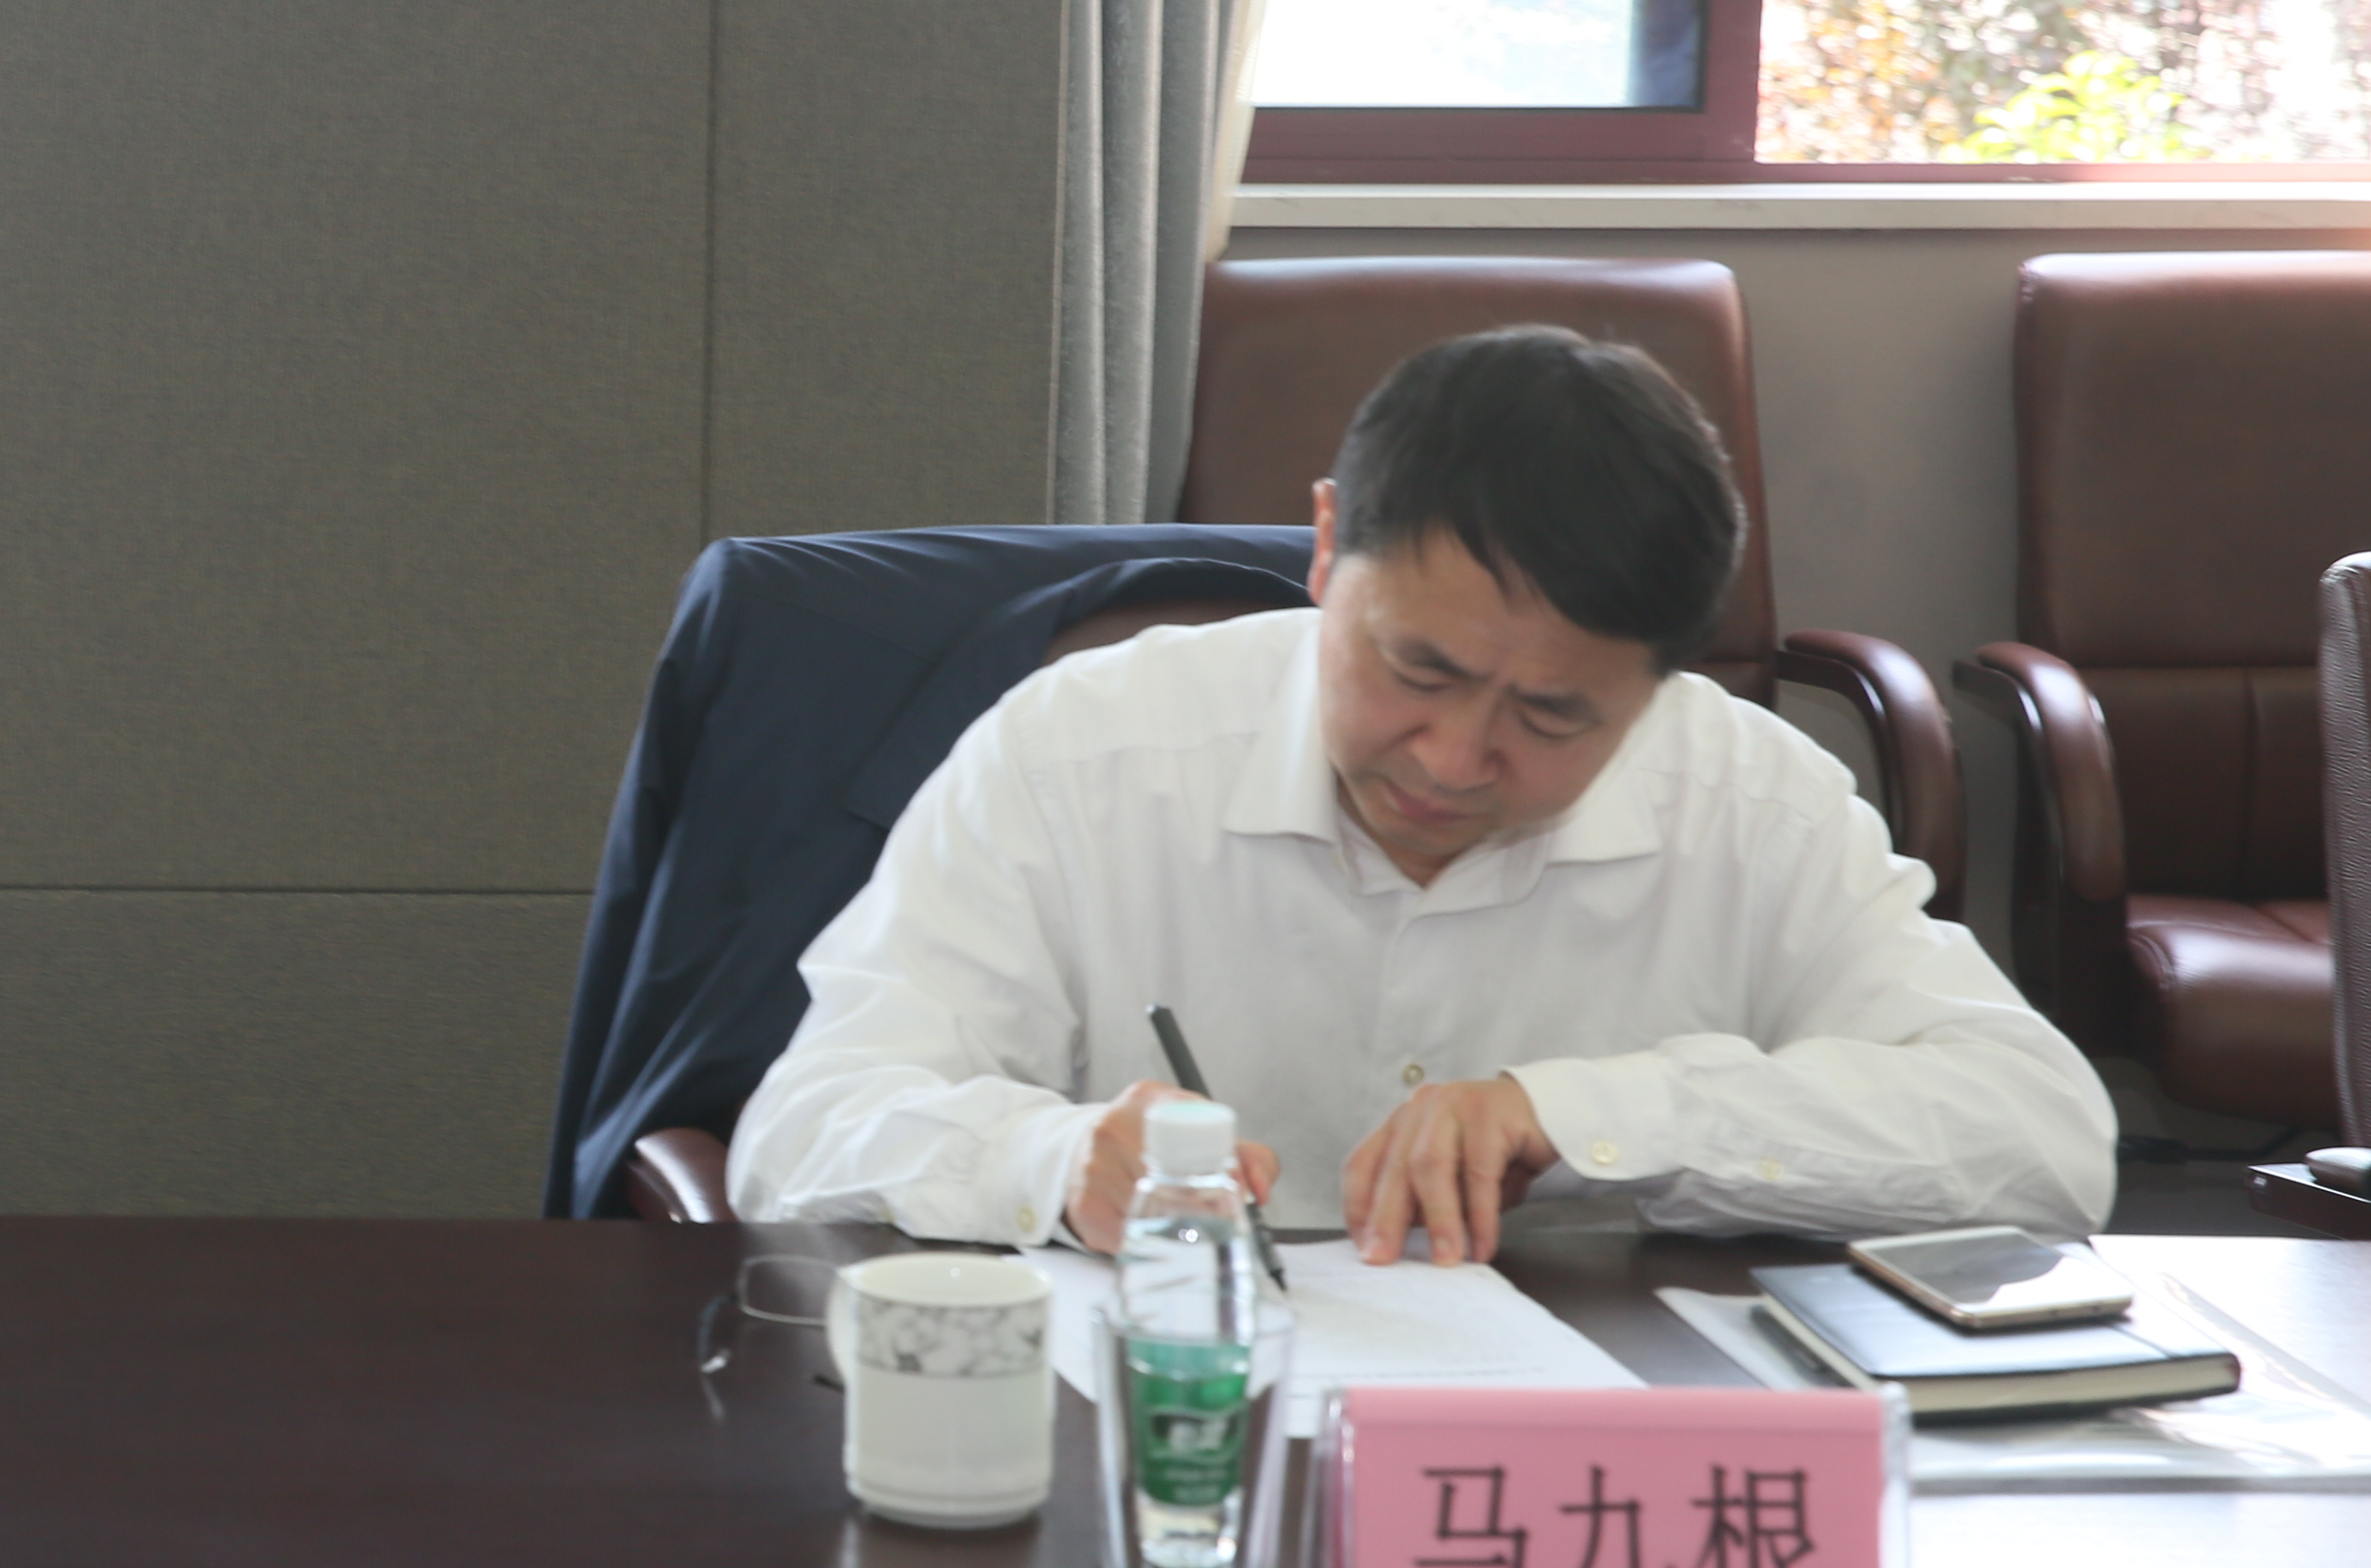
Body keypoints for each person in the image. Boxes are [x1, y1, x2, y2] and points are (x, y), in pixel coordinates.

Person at [726, 326, 2112, 1264]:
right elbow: (804, 1129)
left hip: (1578, 1477)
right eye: (1417, 669)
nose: (1452, 760)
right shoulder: (1080, 753)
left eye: (1553, 715)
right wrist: (1054, 1159)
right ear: (1328, 547)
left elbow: (2044, 1141)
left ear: (1662, 683)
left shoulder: (1751, 799)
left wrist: (1592, 1118)